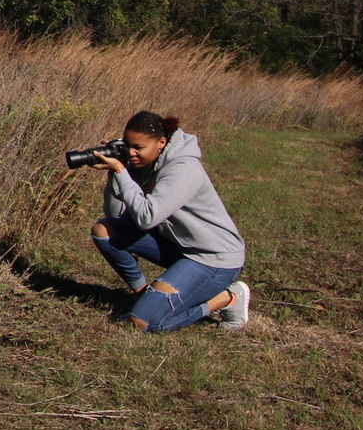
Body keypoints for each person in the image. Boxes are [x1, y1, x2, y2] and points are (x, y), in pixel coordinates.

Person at [83, 111, 250, 333]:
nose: (131, 153)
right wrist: (115, 174)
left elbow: (146, 218)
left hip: (213, 258)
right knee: (105, 230)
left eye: (138, 148)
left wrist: (121, 171)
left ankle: (227, 298)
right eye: (128, 146)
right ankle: (143, 294)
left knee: (143, 323)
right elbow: (116, 214)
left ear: (161, 142)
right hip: (181, 246)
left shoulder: (183, 168)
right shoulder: (143, 163)